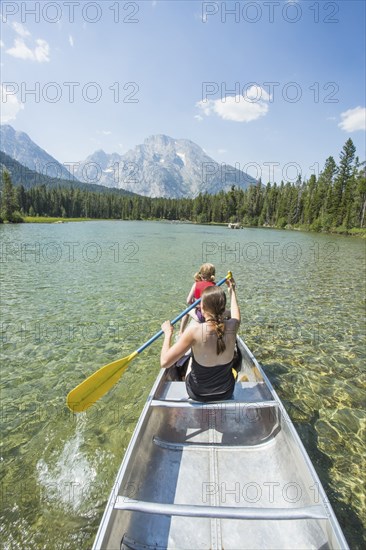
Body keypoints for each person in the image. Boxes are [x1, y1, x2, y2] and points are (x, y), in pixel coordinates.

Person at [161, 276, 240, 401]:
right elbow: (235, 312)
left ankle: (182, 375)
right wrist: (232, 290)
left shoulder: (194, 330)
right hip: (226, 392)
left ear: (202, 309)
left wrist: (168, 334)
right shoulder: (233, 325)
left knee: (193, 357)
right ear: (224, 308)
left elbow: (164, 362)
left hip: (198, 394)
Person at [179, 263, 216, 335]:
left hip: (202, 317)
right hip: (214, 316)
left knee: (187, 311)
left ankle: (181, 332)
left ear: (201, 274)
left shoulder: (196, 284)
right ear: (213, 275)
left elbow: (188, 301)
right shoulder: (216, 286)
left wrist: (196, 305)